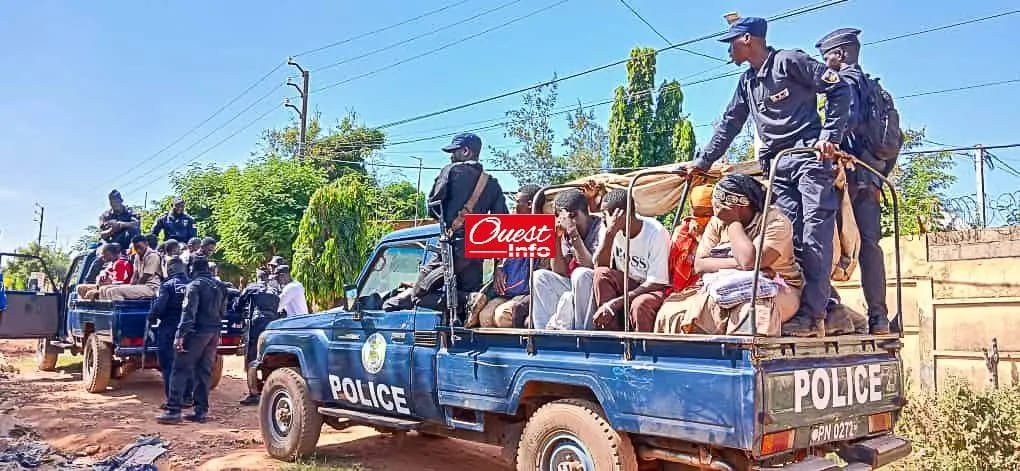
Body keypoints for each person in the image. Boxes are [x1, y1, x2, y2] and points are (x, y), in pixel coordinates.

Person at [680, 16, 850, 337]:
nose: (728, 50)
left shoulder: (789, 62)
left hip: (808, 157)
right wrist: (702, 162)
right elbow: (729, 123)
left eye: (731, 42)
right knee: (790, 238)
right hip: (777, 166)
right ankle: (818, 304)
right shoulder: (747, 83)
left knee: (814, 234)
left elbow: (838, 89)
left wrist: (830, 135)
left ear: (748, 40)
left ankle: (814, 316)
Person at [817, 28, 890, 335]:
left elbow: (839, 126)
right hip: (872, 179)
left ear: (842, 54)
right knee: (871, 247)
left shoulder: (844, 83)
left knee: (817, 239)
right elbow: (889, 142)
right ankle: (879, 317)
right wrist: (878, 174)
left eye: (827, 56)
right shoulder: (878, 91)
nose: (825, 63)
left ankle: (821, 310)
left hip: (846, 177)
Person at [670, 174, 803, 336]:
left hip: (778, 288)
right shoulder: (718, 221)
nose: (716, 208)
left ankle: (745, 359)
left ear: (740, 205)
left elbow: (749, 261)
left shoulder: (776, 222)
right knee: (677, 311)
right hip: (726, 285)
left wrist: (733, 222)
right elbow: (700, 264)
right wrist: (738, 264)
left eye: (720, 204)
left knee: (750, 313)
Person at [424, 132, 508, 319]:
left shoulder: (451, 171)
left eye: (454, 152)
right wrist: (498, 267)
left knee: (419, 294)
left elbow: (433, 207)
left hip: (452, 249)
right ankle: (470, 300)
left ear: (466, 151)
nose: (451, 156)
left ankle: (469, 298)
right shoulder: (492, 184)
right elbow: (501, 225)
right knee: (465, 313)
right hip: (476, 254)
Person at [157, 257, 225, 425]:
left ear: (192, 269)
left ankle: (173, 411)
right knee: (203, 371)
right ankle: (200, 411)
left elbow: (189, 312)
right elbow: (223, 311)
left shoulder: (194, 286)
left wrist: (180, 335)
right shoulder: (220, 286)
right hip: (213, 333)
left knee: (180, 368)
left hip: (196, 333)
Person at [591, 189, 671, 332]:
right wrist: (610, 234)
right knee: (601, 273)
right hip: (628, 283)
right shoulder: (609, 228)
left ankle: (643, 349)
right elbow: (600, 265)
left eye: (606, 214)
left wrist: (616, 303)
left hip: (652, 288)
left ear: (621, 214)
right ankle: (612, 336)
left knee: (640, 304)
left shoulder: (655, 232)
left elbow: (657, 282)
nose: (603, 219)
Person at [465, 184, 544, 328]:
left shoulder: (544, 230)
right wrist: (498, 268)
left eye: (517, 202)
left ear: (530, 204)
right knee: (485, 317)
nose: (514, 207)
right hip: (505, 291)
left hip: (527, 293)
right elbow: (495, 254)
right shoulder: (508, 227)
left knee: (502, 316)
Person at [532, 189, 604, 330]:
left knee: (581, 274)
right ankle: (543, 333)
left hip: (595, 288)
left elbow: (591, 267)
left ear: (579, 213)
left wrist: (573, 233)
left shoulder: (600, 228)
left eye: (570, 216)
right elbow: (561, 272)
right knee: (539, 276)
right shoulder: (565, 231)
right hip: (575, 286)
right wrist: (556, 239)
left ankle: (582, 333)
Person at [148, 257, 192, 409]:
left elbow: (159, 308)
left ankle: (173, 399)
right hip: (190, 330)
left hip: (170, 329)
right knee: (188, 364)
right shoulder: (193, 284)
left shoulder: (167, 286)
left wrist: (151, 317)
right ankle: (187, 398)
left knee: (168, 365)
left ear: (170, 269)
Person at [236, 268, 281, 405]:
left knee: (252, 358)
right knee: (270, 357)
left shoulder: (252, 287)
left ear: (258, 277)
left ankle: (253, 394)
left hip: (256, 324)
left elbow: (238, 304)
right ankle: (269, 391)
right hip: (273, 324)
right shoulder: (275, 289)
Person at [669, 184, 716, 293]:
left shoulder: (721, 232)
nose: (700, 220)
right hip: (677, 288)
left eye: (706, 214)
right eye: (696, 214)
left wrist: (701, 239)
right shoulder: (682, 231)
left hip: (705, 287)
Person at [100, 235, 162, 300]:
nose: (138, 250)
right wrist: (131, 285)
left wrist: (133, 287)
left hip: (151, 288)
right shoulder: (137, 256)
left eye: (139, 247)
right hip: (141, 286)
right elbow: (135, 274)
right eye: (135, 248)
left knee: (113, 291)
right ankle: (106, 309)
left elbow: (146, 276)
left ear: (146, 244)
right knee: (103, 289)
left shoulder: (153, 256)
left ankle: (120, 309)